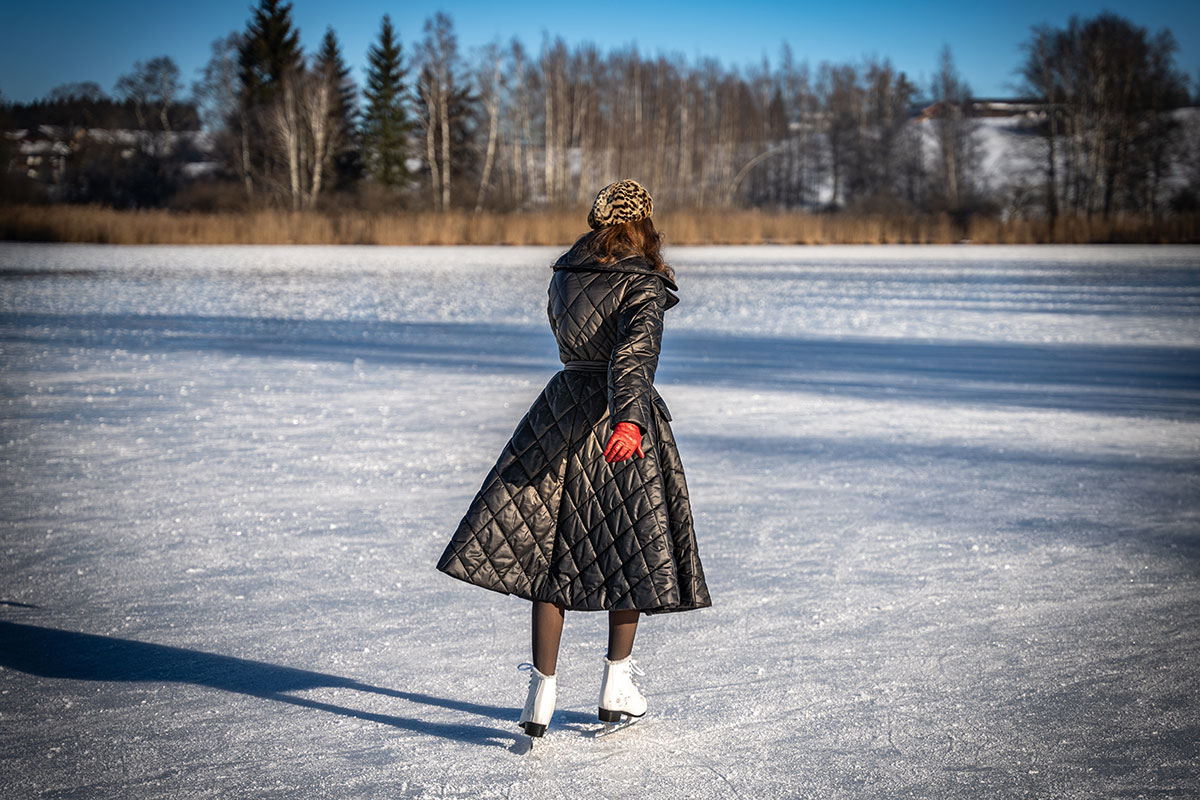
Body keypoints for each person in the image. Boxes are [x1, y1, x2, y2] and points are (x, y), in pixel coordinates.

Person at [436, 179, 711, 739]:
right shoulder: (643, 280)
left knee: (551, 551)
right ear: (644, 224)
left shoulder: (565, 273)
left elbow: (578, 345)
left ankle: (542, 691)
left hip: (559, 412)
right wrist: (630, 419)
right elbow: (633, 357)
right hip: (615, 422)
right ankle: (616, 684)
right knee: (627, 548)